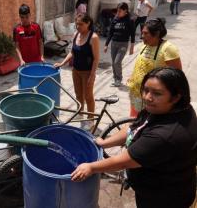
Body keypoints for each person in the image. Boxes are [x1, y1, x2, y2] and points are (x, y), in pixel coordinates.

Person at [71, 67, 197, 208]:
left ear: (176, 97)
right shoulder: (166, 108)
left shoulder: (165, 135)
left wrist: (91, 167)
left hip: (165, 199)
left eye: (157, 93)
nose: (147, 97)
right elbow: (134, 127)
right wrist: (105, 143)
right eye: (146, 90)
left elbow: (124, 162)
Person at [127, 18, 182, 117]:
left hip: (152, 98)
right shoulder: (145, 46)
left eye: (145, 33)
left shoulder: (168, 49)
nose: (142, 36)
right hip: (136, 93)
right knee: (133, 121)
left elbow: (177, 77)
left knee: (146, 126)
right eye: (142, 33)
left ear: (156, 34)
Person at [54, 14, 100, 130]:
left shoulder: (93, 37)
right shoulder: (76, 35)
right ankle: (80, 116)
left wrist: (92, 75)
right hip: (76, 71)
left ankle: (91, 121)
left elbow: (96, 58)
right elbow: (72, 52)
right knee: (78, 95)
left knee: (88, 96)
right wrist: (62, 63)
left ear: (88, 23)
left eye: (81, 24)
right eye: (77, 24)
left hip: (87, 72)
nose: (78, 26)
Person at [104, 2, 135, 87]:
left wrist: (132, 47)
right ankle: (115, 78)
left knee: (117, 62)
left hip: (123, 44)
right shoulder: (115, 19)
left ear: (125, 11)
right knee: (113, 63)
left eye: (120, 11)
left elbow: (132, 34)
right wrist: (106, 44)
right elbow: (110, 32)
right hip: (114, 43)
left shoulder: (130, 20)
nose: (118, 13)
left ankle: (119, 78)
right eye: (117, 11)